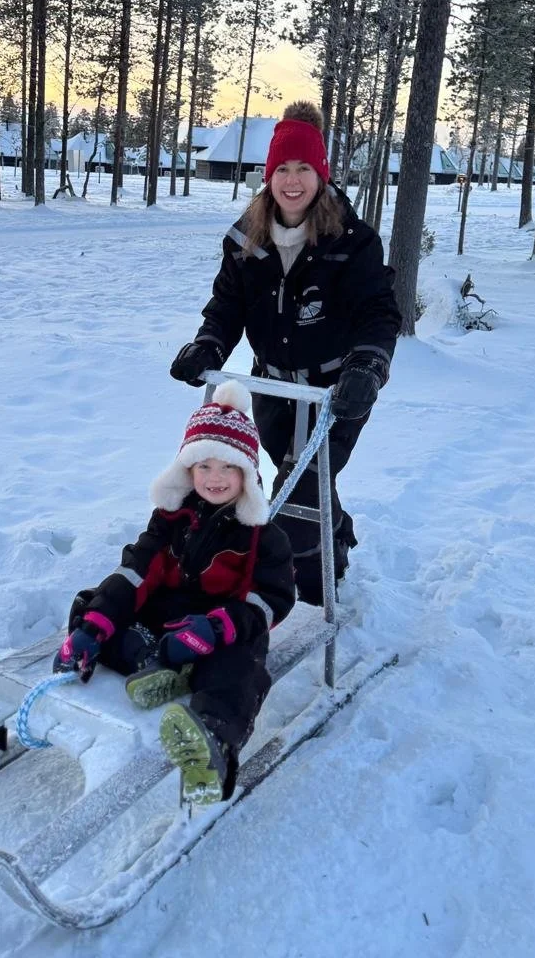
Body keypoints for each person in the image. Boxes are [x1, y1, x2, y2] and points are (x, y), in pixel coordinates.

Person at [170, 100, 401, 605]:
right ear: (268, 175)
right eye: (282, 170)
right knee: (297, 472)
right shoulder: (244, 241)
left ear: (321, 175)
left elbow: (378, 313)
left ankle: (309, 585)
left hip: (336, 389)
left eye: (303, 170)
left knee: (303, 483)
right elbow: (227, 305)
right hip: (271, 384)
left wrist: (368, 365)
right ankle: (334, 532)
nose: (292, 181)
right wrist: (206, 344)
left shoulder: (351, 242)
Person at [53, 381, 296, 807]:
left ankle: (212, 743)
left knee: (240, 666)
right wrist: (93, 626)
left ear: (248, 473)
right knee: (92, 602)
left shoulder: (264, 537)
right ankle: (149, 657)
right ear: (187, 470)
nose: (214, 478)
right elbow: (136, 572)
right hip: (167, 618)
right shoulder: (171, 517)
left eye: (227, 468)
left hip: (222, 625)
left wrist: (218, 628)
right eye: (204, 467)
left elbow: (270, 600)